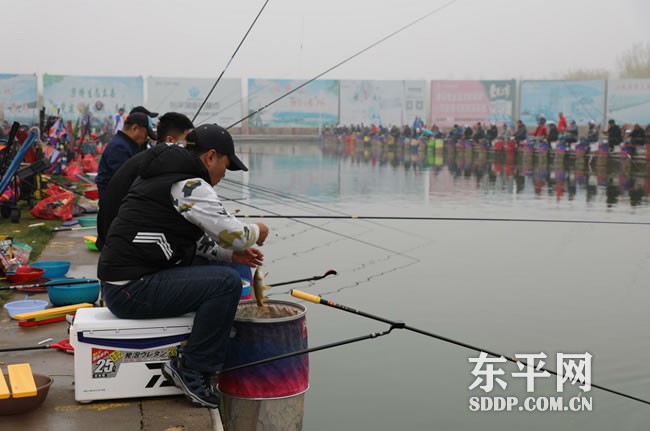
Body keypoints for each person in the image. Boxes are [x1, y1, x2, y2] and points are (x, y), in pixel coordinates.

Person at [98, 124, 269, 408]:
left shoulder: (168, 175)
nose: (224, 175)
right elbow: (234, 235)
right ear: (211, 157)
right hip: (130, 289)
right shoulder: (190, 184)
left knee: (225, 272)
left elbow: (189, 242)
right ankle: (192, 366)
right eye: (226, 166)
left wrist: (230, 256)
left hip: (125, 282)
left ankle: (205, 348)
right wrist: (259, 229)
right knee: (226, 284)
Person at [96, 112, 194, 250]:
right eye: (186, 141)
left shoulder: (144, 155)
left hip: (114, 230)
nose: (188, 148)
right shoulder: (124, 148)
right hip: (115, 236)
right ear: (171, 141)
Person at [95, 112, 157, 199]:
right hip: (113, 204)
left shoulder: (126, 144)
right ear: (134, 128)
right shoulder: (119, 147)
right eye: (146, 135)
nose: (145, 139)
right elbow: (125, 179)